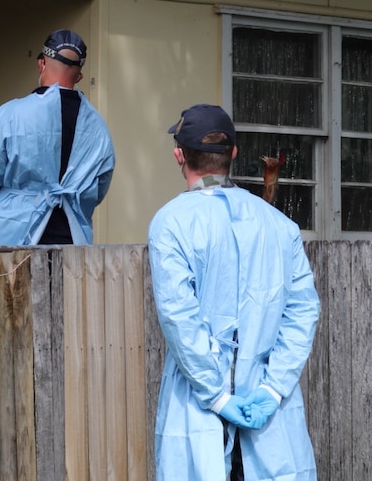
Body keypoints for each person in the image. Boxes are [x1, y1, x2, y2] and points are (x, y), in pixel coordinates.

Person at [147, 104, 320, 481]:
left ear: (179, 155)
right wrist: (273, 391)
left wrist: (217, 396)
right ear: (234, 155)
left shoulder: (171, 223)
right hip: (268, 414)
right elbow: (303, 312)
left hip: (201, 408)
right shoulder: (280, 225)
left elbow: (180, 319)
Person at [0, 29, 115, 245]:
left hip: (11, 243)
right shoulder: (99, 128)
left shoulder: (11, 114)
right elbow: (98, 189)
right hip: (72, 245)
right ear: (79, 76)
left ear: (41, 64)